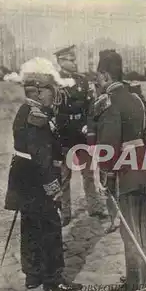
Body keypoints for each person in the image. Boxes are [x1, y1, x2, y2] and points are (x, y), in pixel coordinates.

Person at [4, 58, 83, 291]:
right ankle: (53, 277)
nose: (54, 96)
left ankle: (33, 274)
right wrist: (52, 185)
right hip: (38, 178)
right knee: (49, 226)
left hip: (24, 178)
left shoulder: (29, 110)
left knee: (30, 225)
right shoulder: (36, 115)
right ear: (38, 91)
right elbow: (41, 156)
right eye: (51, 91)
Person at [93, 49, 146, 291]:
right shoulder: (137, 99)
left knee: (128, 228)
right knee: (139, 224)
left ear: (106, 75)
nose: (98, 80)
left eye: (99, 75)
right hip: (141, 167)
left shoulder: (110, 102)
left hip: (123, 172)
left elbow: (108, 146)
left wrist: (107, 176)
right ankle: (141, 275)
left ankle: (136, 282)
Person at [53, 45, 106, 226]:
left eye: (75, 59)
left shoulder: (83, 81)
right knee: (64, 176)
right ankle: (65, 212)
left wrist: (88, 125)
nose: (75, 63)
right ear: (60, 61)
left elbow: (90, 107)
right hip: (64, 133)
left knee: (88, 173)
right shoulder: (54, 81)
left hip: (81, 133)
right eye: (71, 59)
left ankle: (94, 207)